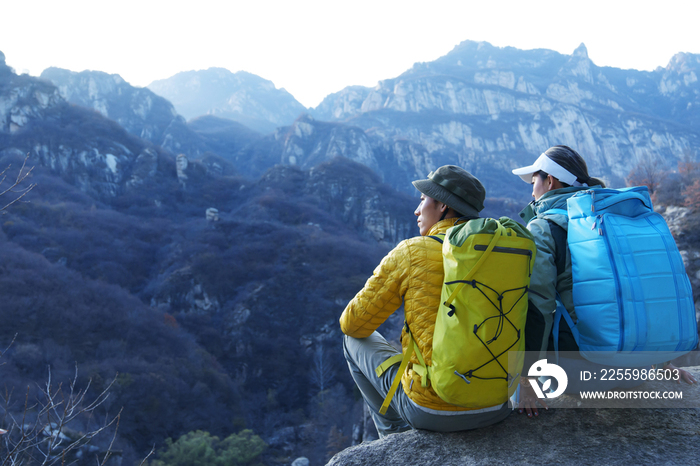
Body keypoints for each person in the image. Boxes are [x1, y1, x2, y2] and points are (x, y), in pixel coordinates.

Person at [511, 145, 697, 418]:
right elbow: (647, 290)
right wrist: (659, 361)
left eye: (533, 180)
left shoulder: (544, 227)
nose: (531, 189)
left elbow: (538, 306)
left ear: (549, 180)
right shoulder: (613, 220)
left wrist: (526, 380)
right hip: (638, 369)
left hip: (577, 374)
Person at [340, 165, 511, 437]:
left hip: (432, 409)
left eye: (422, 200)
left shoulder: (413, 251)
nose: (417, 211)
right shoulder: (503, 252)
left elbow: (352, 324)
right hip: (497, 404)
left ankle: (393, 439)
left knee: (352, 341)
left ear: (442, 206)